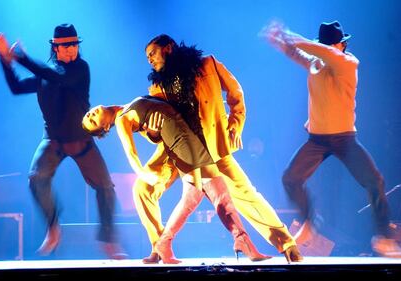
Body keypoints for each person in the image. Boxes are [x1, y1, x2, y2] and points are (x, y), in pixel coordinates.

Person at [132, 34, 302, 264]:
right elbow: (156, 124)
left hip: (213, 146)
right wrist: (151, 133)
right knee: (143, 189)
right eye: (147, 57)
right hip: (178, 151)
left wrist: (235, 124)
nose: (150, 60)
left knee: (247, 195)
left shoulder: (208, 64)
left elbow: (235, 93)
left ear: (168, 48)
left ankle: (286, 243)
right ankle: (158, 246)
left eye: (152, 53)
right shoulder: (157, 86)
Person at [263, 20, 401, 257]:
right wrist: (280, 42)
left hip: (344, 139)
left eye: (329, 46)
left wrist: (287, 33)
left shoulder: (348, 62)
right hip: (317, 140)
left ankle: (384, 237)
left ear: (340, 45)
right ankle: (309, 222)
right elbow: (299, 54)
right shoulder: (317, 63)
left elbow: (321, 50)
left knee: (374, 182)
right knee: (290, 178)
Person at [82, 96, 271, 263]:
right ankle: (162, 244)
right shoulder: (123, 119)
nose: (91, 114)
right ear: (105, 127)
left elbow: (157, 117)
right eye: (92, 120)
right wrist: (143, 173)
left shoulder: (126, 107)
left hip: (185, 137)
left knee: (214, 192)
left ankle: (241, 241)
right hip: (177, 142)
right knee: (177, 192)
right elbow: (131, 152)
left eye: (89, 114)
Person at [0, 24, 124, 259]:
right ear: (56, 47)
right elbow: (16, 87)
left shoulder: (80, 69)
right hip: (53, 141)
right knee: (36, 179)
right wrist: (5, 60)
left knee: (105, 187)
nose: (71, 50)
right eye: (66, 46)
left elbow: (57, 77)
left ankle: (108, 242)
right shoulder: (46, 73)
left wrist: (21, 56)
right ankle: (53, 226)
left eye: (74, 45)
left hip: (81, 141)